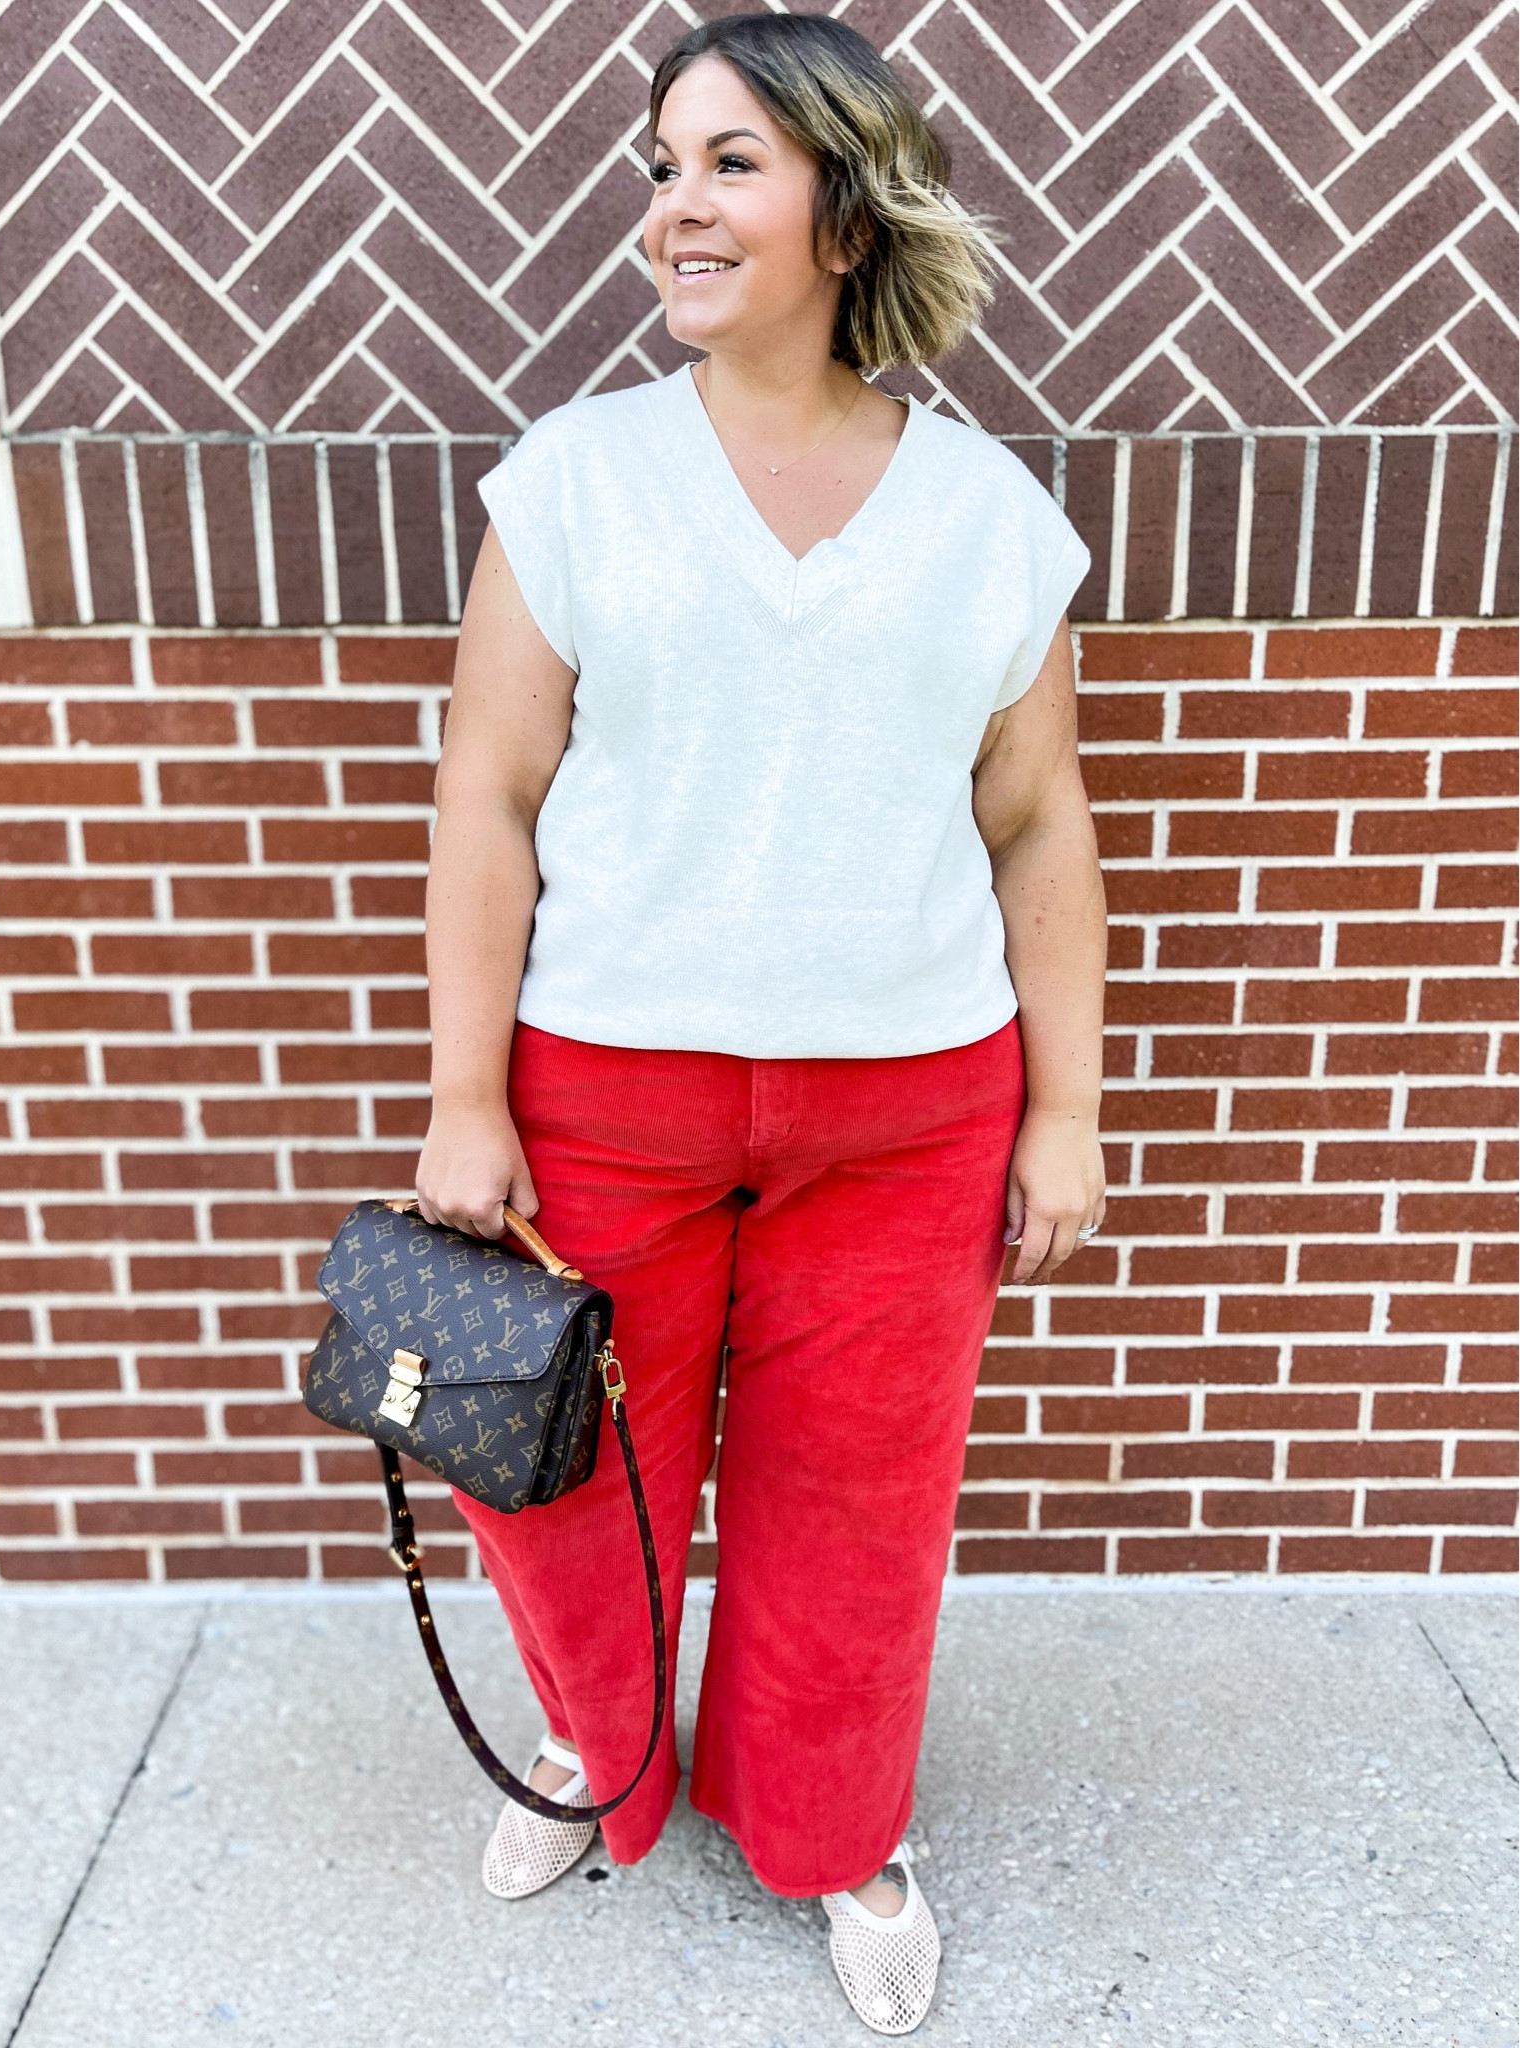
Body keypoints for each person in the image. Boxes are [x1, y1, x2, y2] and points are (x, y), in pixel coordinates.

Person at [413, 12, 1105, 2035]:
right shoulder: (578, 479)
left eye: (726, 164)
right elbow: (488, 792)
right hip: (607, 1087)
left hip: (903, 1107)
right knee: (555, 1474)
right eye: (659, 167)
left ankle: (830, 1820)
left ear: (841, 198)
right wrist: (466, 1094)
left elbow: (1037, 814)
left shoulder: (987, 515)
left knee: (860, 1501)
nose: (673, 208)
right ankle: (598, 1741)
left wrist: (1061, 1110)